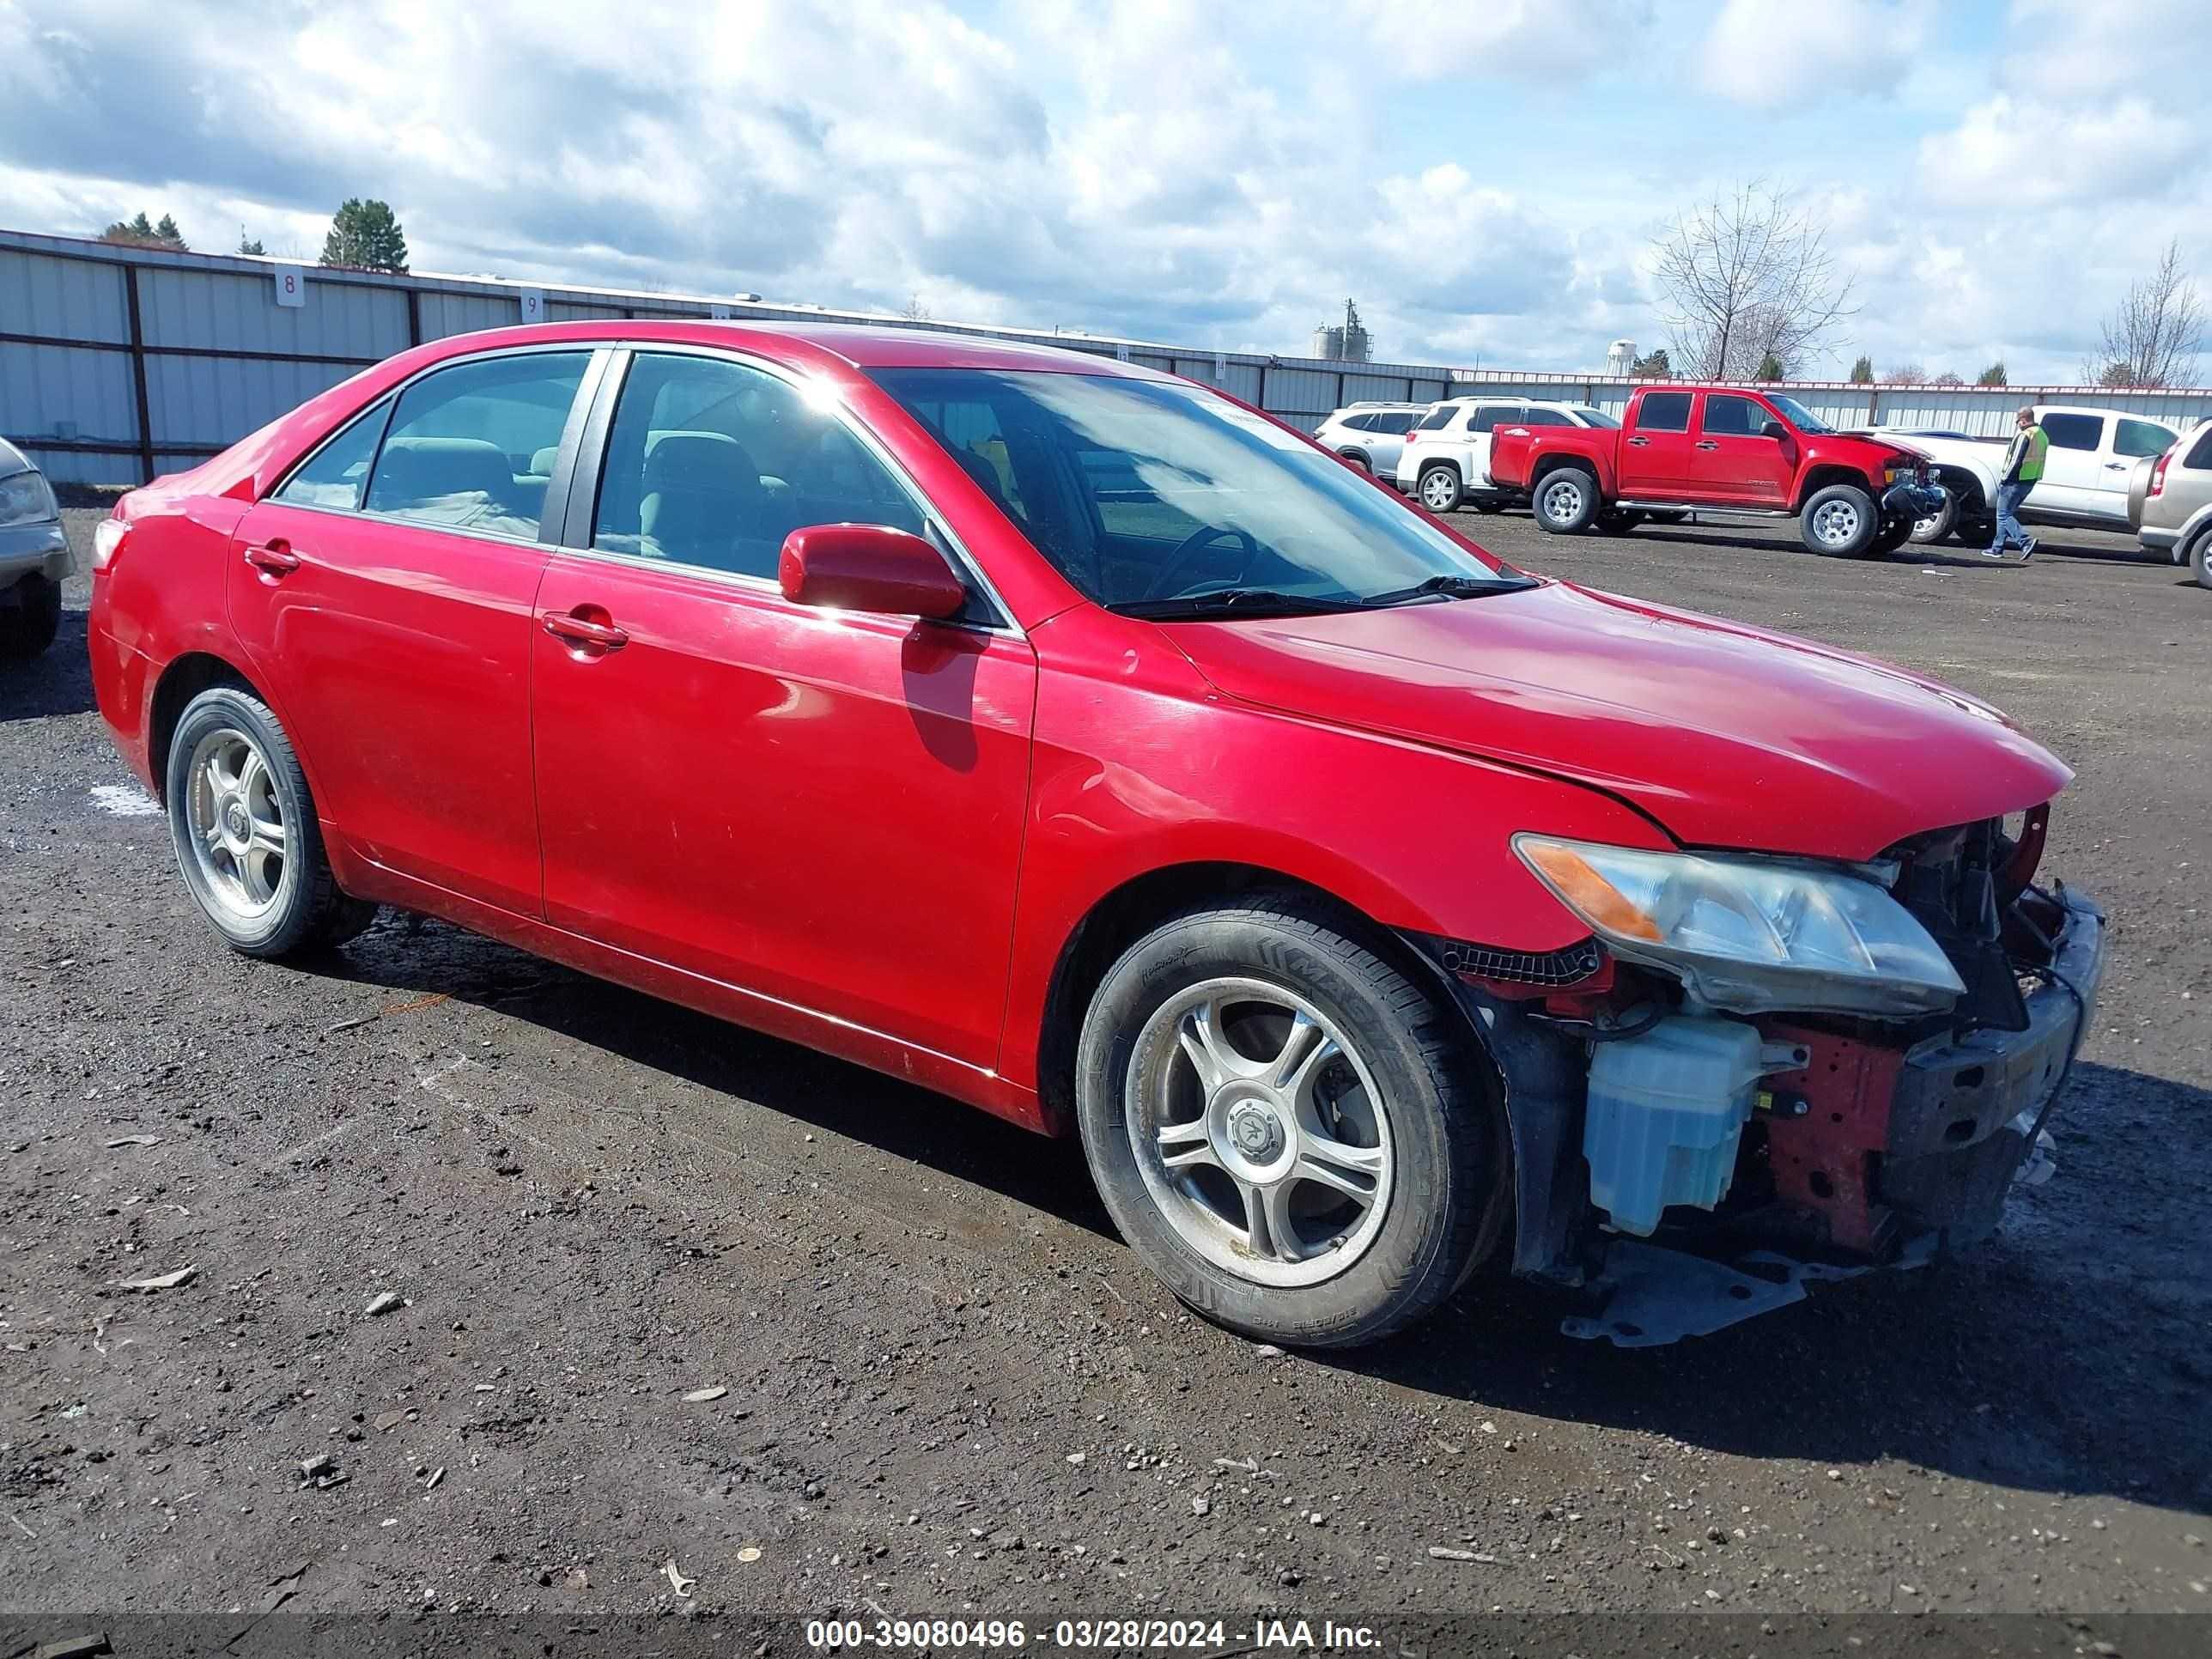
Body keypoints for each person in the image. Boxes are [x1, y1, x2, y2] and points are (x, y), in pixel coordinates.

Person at [1985, 405, 2045, 561]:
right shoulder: (2042, 435)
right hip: (2030, 480)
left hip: (2014, 480)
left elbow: (2015, 459)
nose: (2017, 424)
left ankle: (2025, 542)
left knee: (2003, 515)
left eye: (2018, 421)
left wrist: (2004, 478)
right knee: (2005, 515)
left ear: (2023, 420)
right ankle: (1996, 548)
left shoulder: (2025, 435)